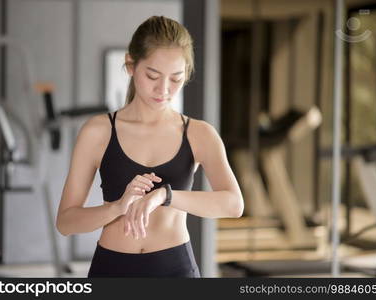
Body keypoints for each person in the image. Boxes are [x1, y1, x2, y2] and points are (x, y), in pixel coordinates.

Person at [56, 15, 243, 278]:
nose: (163, 89)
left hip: (176, 270)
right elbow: (65, 222)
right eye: (153, 75)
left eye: (176, 79)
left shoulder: (199, 134)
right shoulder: (97, 131)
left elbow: (233, 205)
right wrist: (116, 208)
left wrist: (165, 196)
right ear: (131, 65)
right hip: (111, 270)